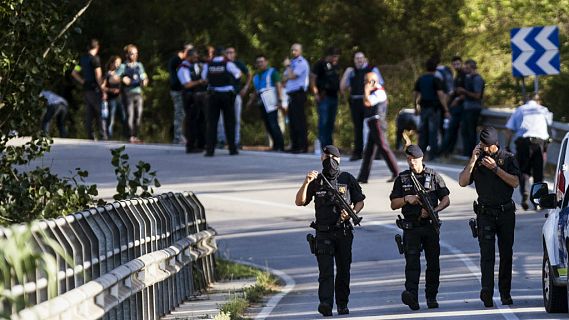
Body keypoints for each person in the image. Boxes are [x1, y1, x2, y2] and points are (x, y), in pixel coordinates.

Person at [295, 145, 365, 316]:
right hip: (323, 233)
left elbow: (360, 201)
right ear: (321, 159)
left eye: (332, 158)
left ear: (338, 159)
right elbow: (299, 201)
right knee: (325, 271)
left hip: (343, 232)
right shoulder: (316, 180)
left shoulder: (347, 178)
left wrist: (351, 213)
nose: (329, 161)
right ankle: (325, 303)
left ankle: (342, 304)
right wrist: (306, 182)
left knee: (343, 270)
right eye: (325, 158)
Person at [458, 127, 520, 307]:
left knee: (506, 254)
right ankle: (486, 292)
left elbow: (515, 182)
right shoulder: (477, 160)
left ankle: (505, 293)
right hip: (485, 214)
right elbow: (462, 182)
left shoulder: (508, 158)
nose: (485, 150)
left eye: (488, 147)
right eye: (482, 146)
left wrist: (495, 169)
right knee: (487, 255)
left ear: (496, 144)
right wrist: (473, 159)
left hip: (505, 213)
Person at [390, 145, 450, 310]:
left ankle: (431, 297)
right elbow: (393, 204)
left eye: (414, 159)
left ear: (421, 158)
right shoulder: (402, 178)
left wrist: (434, 211)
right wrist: (406, 199)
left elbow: (446, 199)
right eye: (408, 159)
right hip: (411, 227)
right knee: (412, 263)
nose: (411, 162)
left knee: (433, 263)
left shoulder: (433, 175)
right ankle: (412, 296)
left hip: (430, 226)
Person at [505, 94, 552, 210]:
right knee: (538, 174)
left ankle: (525, 193)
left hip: (523, 143)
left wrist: (507, 145)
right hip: (539, 143)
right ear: (539, 101)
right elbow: (549, 126)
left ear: (527, 100)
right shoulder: (543, 110)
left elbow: (509, 129)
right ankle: (538, 202)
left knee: (523, 171)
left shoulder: (520, 109)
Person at [341, 52, 385, 161]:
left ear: (365, 59)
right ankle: (358, 152)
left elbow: (379, 84)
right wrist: (346, 73)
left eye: (361, 58)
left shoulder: (372, 69)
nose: (359, 60)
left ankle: (377, 152)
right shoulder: (352, 72)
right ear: (354, 60)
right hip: (355, 101)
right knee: (358, 128)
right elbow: (342, 87)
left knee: (372, 126)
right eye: (357, 58)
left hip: (369, 101)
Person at [357, 72, 399, 183]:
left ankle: (397, 173)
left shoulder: (379, 92)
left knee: (384, 148)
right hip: (372, 123)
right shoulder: (374, 91)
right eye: (365, 81)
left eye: (368, 81)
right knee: (369, 151)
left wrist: (366, 90)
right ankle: (363, 177)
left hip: (377, 123)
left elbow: (367, 102)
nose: (366, 83)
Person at [201, 46, 242, 156]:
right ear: (223, 54)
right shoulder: (228, 64)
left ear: (214, 54)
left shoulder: (208, 64)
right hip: (226, 95)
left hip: (213, 95)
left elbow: (204, 78)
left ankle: (210, 150)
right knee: (229, 122)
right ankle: (232, 149)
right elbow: (238, 74)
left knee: (212, 123)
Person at [413, 58, 449, 160]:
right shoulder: (436, 79)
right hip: (434, 108)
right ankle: (433, 155)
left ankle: (420, 154)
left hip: (424, 107)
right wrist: (446, 109)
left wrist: (415, 106)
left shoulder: (421, 79)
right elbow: (441, 95)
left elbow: (415, 94)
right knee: (433, 132)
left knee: (423, 131)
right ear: (435, 69)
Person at [71, 39, 107, 140]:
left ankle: (90, 135)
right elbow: (98, 76)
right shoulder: (95, 59)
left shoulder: (82, 59)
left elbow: (74, 72)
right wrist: (103, 89)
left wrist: (82, 81)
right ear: (97, 47)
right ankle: (103, 135)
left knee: (89, 113)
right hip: (95, 88)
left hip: (86, 88)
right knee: (99, 112)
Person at [217, 47, 252, 149]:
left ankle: (236, 141)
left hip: (235, 94)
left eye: (231, 52)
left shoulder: (238, 64)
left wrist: (245, 87)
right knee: (221, 119)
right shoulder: (221, 64)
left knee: (236, 119)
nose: (229, 54)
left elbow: (249, 74)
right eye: (227, 52)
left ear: (235, 54)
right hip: (222, 95)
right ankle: (221, 140)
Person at [250, 54, 285, 151]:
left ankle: (280, 145)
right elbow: (256, 91)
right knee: (267, 124)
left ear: (266, 62)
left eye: (262, 61)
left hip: (271, 100)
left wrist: (280, 99)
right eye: (258, 62)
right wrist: (250, 102)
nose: (260, 64)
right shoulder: (256, 76)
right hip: (262, 101)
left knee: (273, 123)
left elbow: (278, 85)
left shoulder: (272, 72)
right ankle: (275, 145)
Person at [116, 44, 149, 143]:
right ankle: (130, 136)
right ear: (127, 55)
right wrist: (122, 78)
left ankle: (136, 135)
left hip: (138, 93)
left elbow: (144, 77)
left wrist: (145, 81)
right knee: (130, 115)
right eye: (132, 54)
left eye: (136, 53)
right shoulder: (123, 66)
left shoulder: (139, 65)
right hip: (127, 93)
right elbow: (114, 78)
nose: (134, 55)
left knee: (138, 115)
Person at [177, 48, 208, 153]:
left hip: (198, 96)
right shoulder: (183, 68)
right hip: (189, 97)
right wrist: (200, 82)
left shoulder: (196, 66)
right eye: (194, 57)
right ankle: (191, 145)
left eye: (196, 56)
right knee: (191, 121)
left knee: (201, 120)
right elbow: (187, 84)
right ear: (188, 57)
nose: (196, 58)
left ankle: (201, 144)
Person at [311, 47, 341, 148]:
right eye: (334, 57)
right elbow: (313, 79)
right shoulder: (320, 64)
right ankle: (322, 145)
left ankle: (329, 145)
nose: (335, 59)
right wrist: (315, 94)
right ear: (329, 56)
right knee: (323, 122)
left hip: (334, 96)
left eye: (337, 57)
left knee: (330, 122)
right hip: (324, 97)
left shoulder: (336, 66)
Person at [283, 43, 310, 153]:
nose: (293, 52)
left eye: (296, 50)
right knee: (292, 121)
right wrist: (289, 71)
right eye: (292, 50)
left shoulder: (301, 63)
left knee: (299, 121)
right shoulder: (293, 63)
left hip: (298, 93)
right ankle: (295, 145)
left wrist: (288, 67)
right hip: (291, 94)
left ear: (300, 51)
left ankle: (302, 146)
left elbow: (293, 76)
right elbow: (284, 77)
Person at [439, 56, 466, 156]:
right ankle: (447, 151)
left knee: (452, 130)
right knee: (451, 130)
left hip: (461, 107)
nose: (456, 66)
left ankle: (445, 150)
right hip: (454, 107)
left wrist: (457, 99)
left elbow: (465, 92)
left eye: (458, 64)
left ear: (461, 63)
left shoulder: (464, 75)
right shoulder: (456, 76)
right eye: (454, 64)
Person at [458, 59, 485, 157]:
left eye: (467, 67)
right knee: (465, 131)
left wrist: (464, 91)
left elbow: (477, 95)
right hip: (466, 108)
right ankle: (466, 152)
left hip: (473, 109)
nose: (465, 69)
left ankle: (471, 153)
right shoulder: (468, 78)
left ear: (472, 67)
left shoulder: (477, 79)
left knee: (471, 132)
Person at [168, 44, 192, 144]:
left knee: (182, 113)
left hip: (180, 90)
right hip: (177, 90)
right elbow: (177, 78)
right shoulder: (177, 61)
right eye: (190, 52)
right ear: (185, 51)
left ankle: (180, 135)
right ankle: (177, 137)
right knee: (179, 113)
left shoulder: (178, 60)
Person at [103, 55, 127, 139]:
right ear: (111, 63)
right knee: (111, 119)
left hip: (120, 98)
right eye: (116, 63)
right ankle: (108, 137)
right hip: (111, 99)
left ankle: (127, 136)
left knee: (124, 117)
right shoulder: (107, 74)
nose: (118, 65)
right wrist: (111, 90)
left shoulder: (120, 73)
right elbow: (103, 86)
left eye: (119, 63)